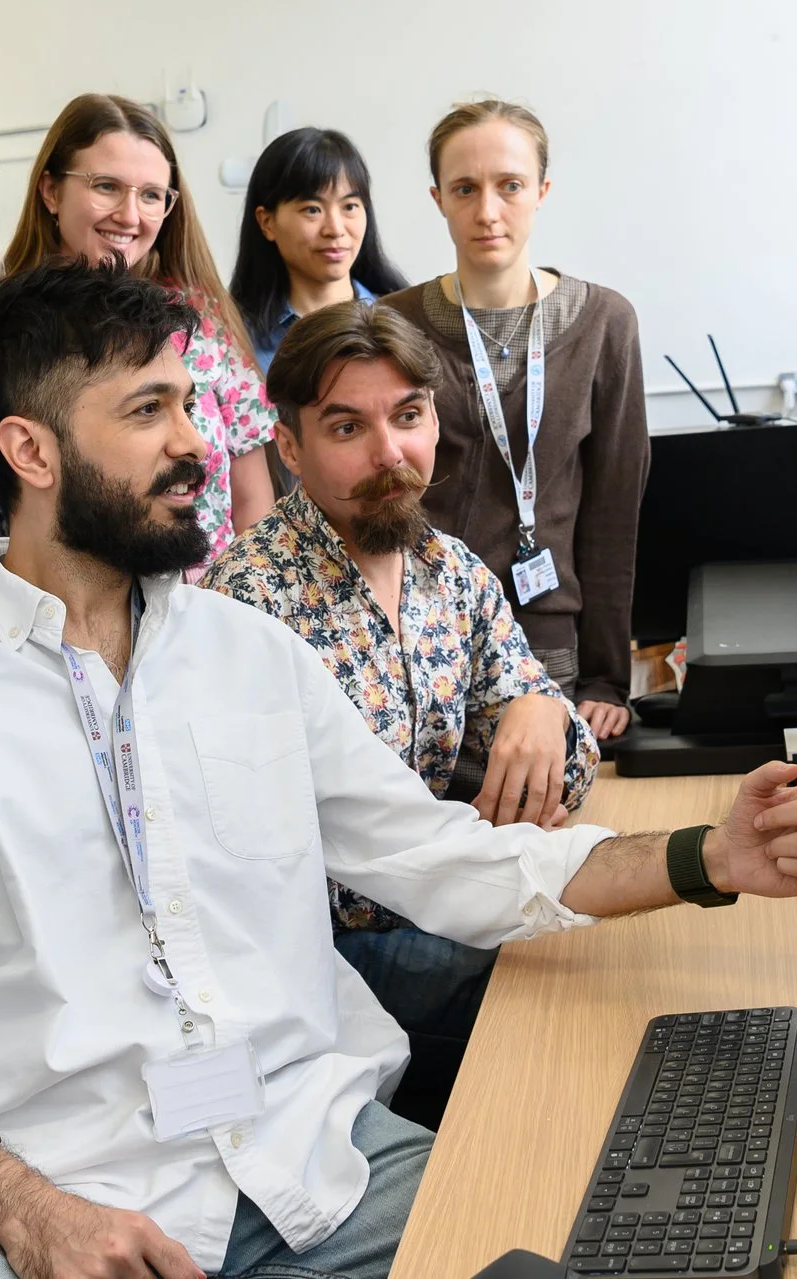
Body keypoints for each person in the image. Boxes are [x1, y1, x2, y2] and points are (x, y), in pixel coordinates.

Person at [0, 260, 797, 1279]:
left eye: (189, 402)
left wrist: (709, 855)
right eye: (148, 411)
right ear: (30, 449)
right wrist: (19, 1202)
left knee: (587, 1244)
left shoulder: (247, 655)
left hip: (317, 1157)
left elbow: (438, 855)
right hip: (59, 1190)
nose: (198, 444)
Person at [203, 301, 596, 1117]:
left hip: (443, 899)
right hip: (326, 962)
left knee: (587, 952)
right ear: (289, 446)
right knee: (560, 988)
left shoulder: (448, 571)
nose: (391, 454)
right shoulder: (249, 601)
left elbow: (572, 764)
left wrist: (540, 707)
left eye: (409, 416)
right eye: (347, 429)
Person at [383, 99, 650, 743]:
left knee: (542, 815)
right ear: (438, 198)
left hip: (547, 646)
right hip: (420, 642)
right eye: (465, 189)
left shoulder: (605, 324)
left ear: (541, 191)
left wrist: (607, 679)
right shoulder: (392, 327)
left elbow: (614, 515)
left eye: (510, 186)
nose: (487, 212)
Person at [3, 95, 273, 565]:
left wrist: (244, 606)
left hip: (210, 603)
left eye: (151, 195)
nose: (130, 216)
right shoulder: (9, 326)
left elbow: (253, 501)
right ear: (50, 191)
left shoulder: (202, 319)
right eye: (106, 186)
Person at [228, 127, 409, 372]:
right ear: (267, 222)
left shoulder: (405, 319)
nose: (335, 229)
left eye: (350, 206)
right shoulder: (232, 338)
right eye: (313, 209)